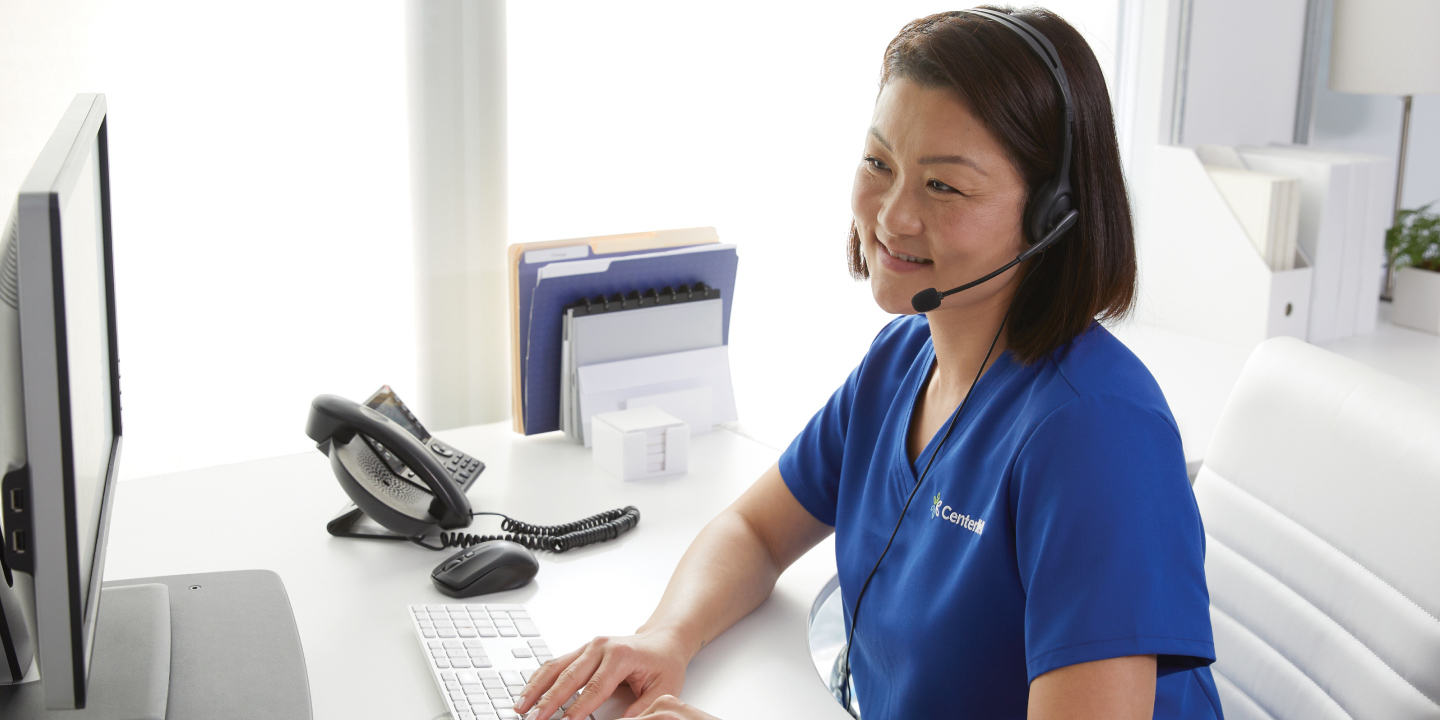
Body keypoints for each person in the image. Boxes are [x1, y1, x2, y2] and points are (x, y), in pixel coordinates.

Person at [517, 6, 1221, 719]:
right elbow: (754, 532)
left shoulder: (1097, 435)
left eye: (943, 186)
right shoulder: (905, 357)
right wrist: (666, 638)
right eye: (879, 163)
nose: (891, 215)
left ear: (1051, 217)